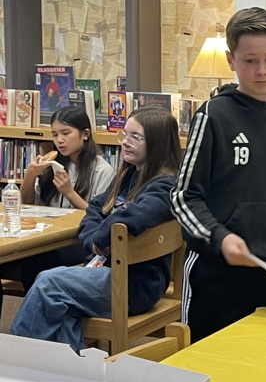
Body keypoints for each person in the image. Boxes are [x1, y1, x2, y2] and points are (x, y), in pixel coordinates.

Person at [171, 6, 266, 342]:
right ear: (231, 60)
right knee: (205, 368)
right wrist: (220, 237)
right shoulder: (213, 115)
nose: (261, 71)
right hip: (213, 275)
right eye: (249, 61)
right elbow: (184, 197)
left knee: (261, 364)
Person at [10, 107, 182, 354]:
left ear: (158, 142)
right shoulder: (130, 174)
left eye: (136, 137)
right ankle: (68, 375)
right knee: (61, 307)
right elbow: (94, 208)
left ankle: (15, 364)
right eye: (124, 135)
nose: (125, 142)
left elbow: (126, 219)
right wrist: (94, 239)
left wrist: (99, 233)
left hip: (134, 284)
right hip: (108, 270)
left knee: (49, 283)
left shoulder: (165, 185)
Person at [0, 106, 116, 315]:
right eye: (55, 134)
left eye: (66, 133)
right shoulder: (50, 164)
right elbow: (26, 204)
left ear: (85, 134)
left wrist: (70, 192)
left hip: (78, 240)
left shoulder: (102, 170)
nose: (59, 140)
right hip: (44, 235)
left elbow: (102, 216)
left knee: (36, 264)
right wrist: (30, 176)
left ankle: (38, 315)